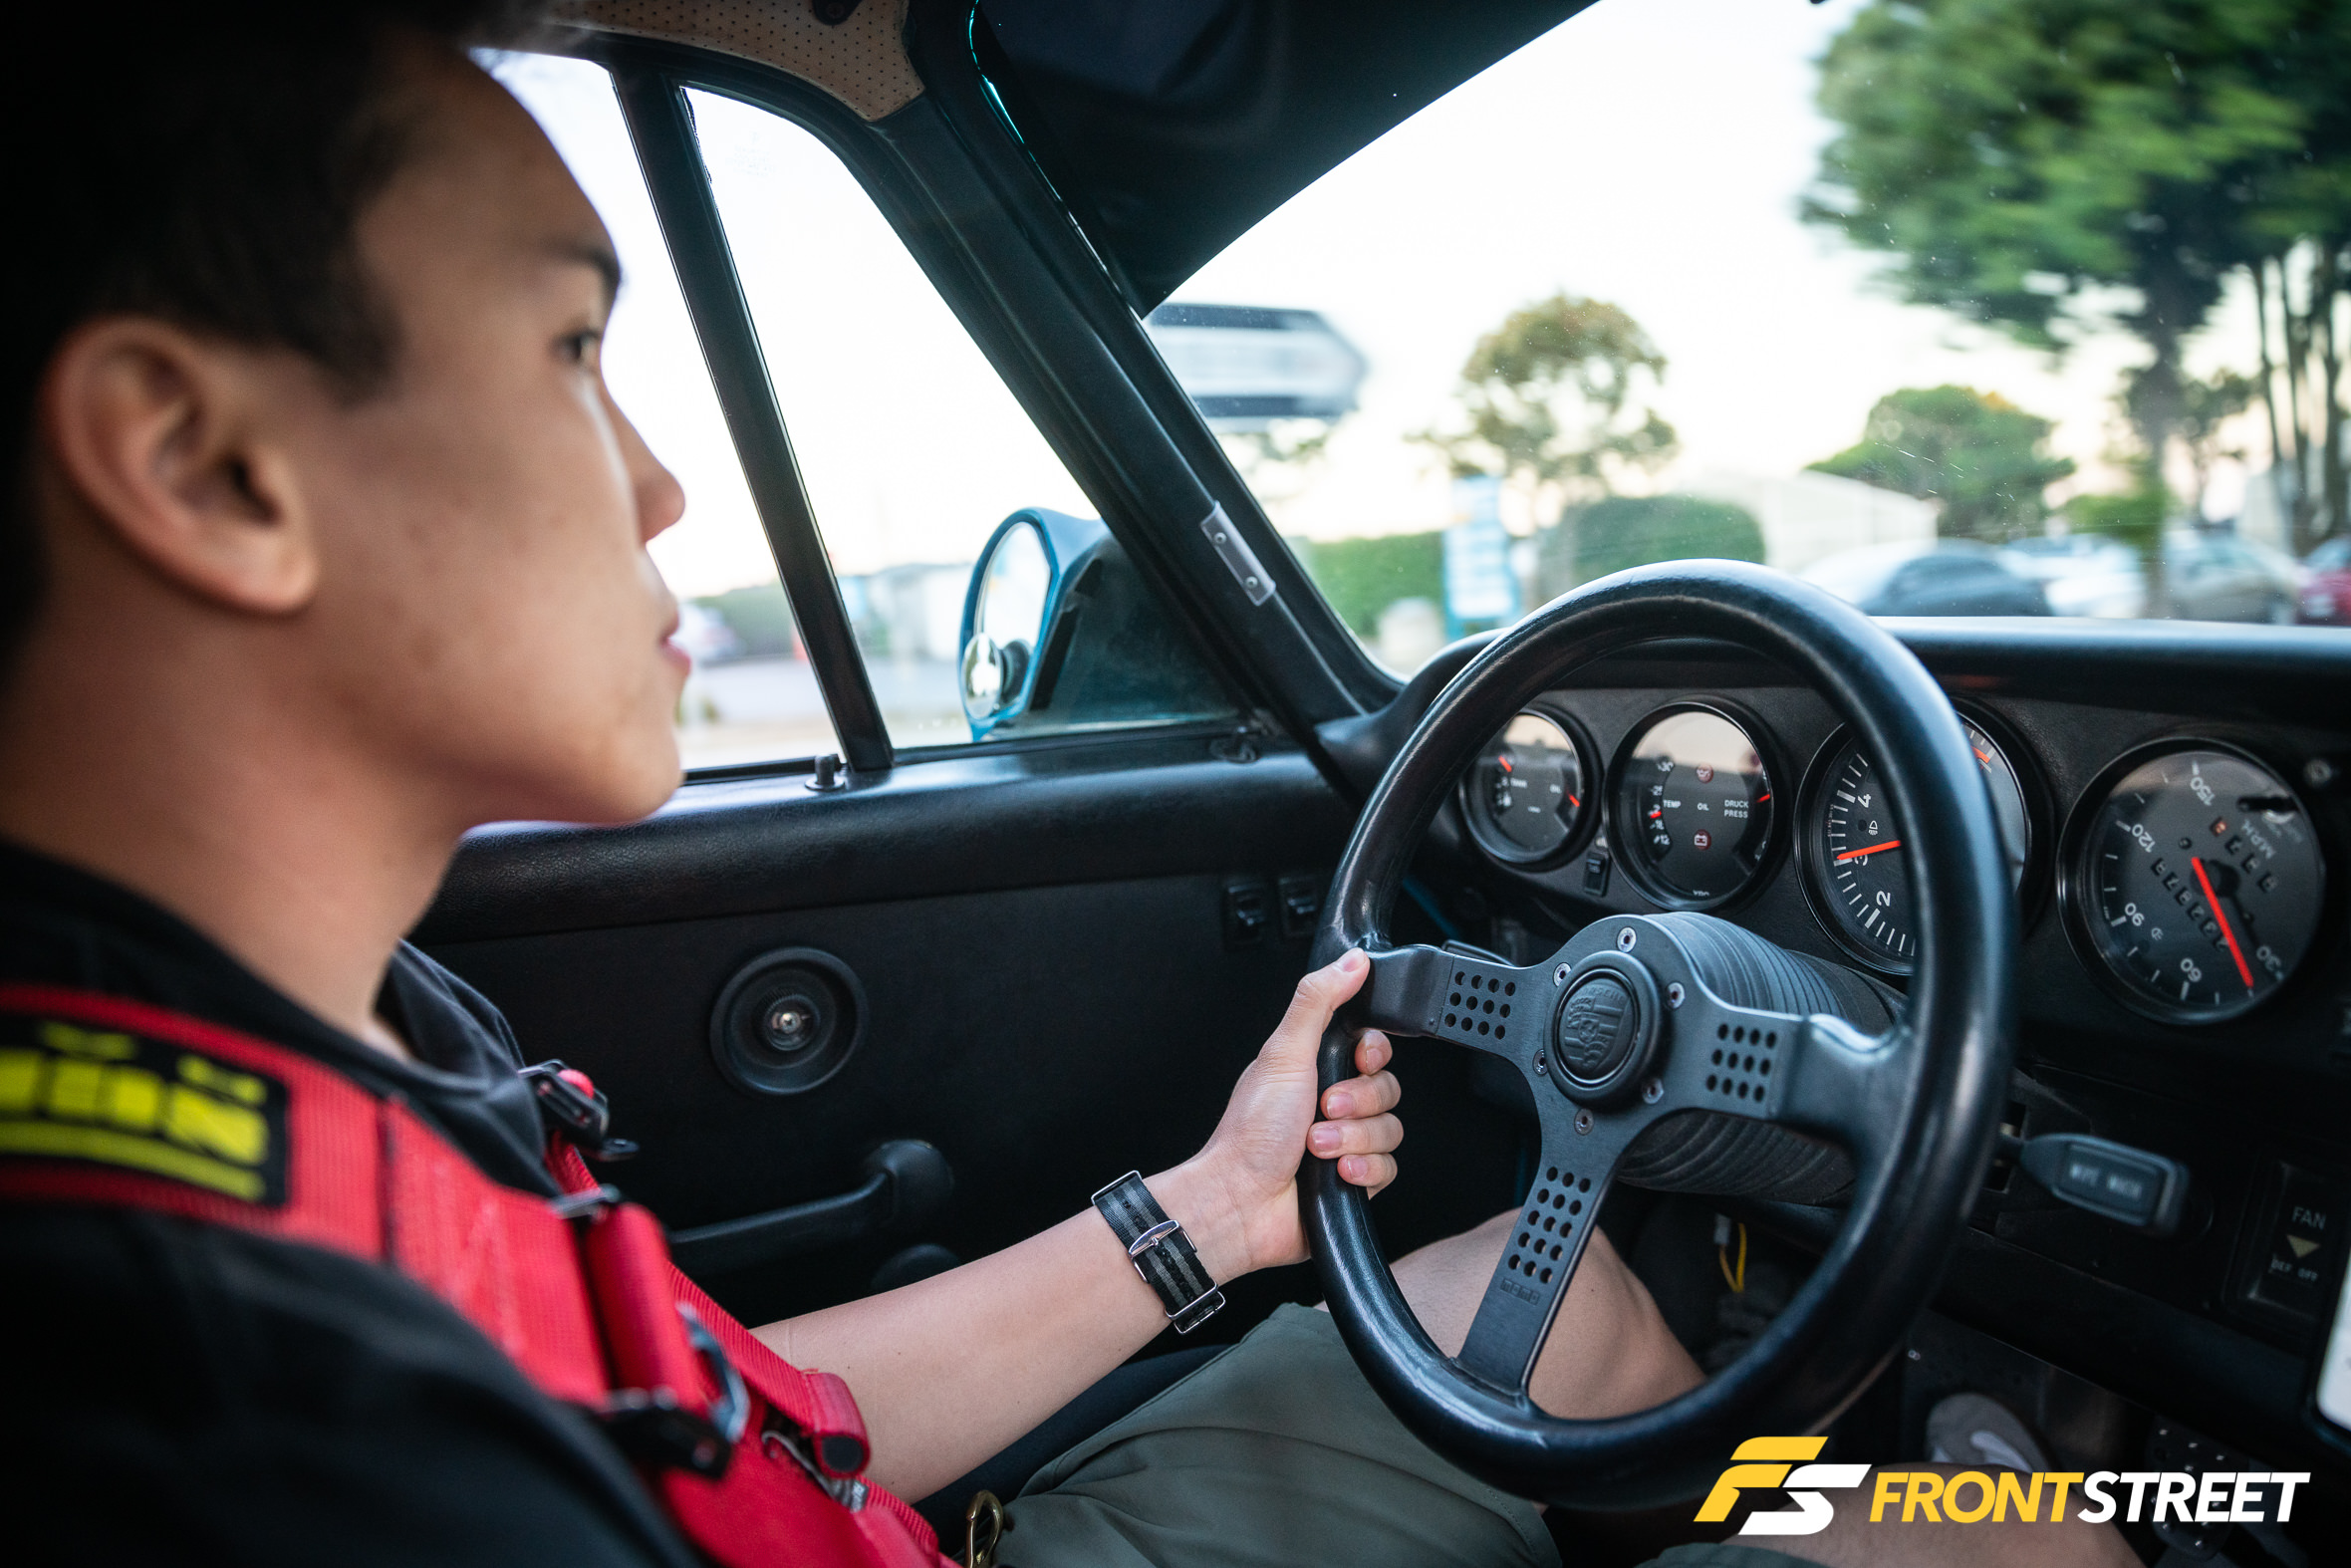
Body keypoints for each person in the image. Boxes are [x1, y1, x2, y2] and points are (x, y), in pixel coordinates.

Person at [0, 7, 2132, 1566]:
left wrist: (1222, 1205)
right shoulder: (276, 1437)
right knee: (2030, 1536)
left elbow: (735, 1411)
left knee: (1566, 1295)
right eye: (571, 353)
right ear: (207, 466)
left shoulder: (335, 1037)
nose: (658, 484)